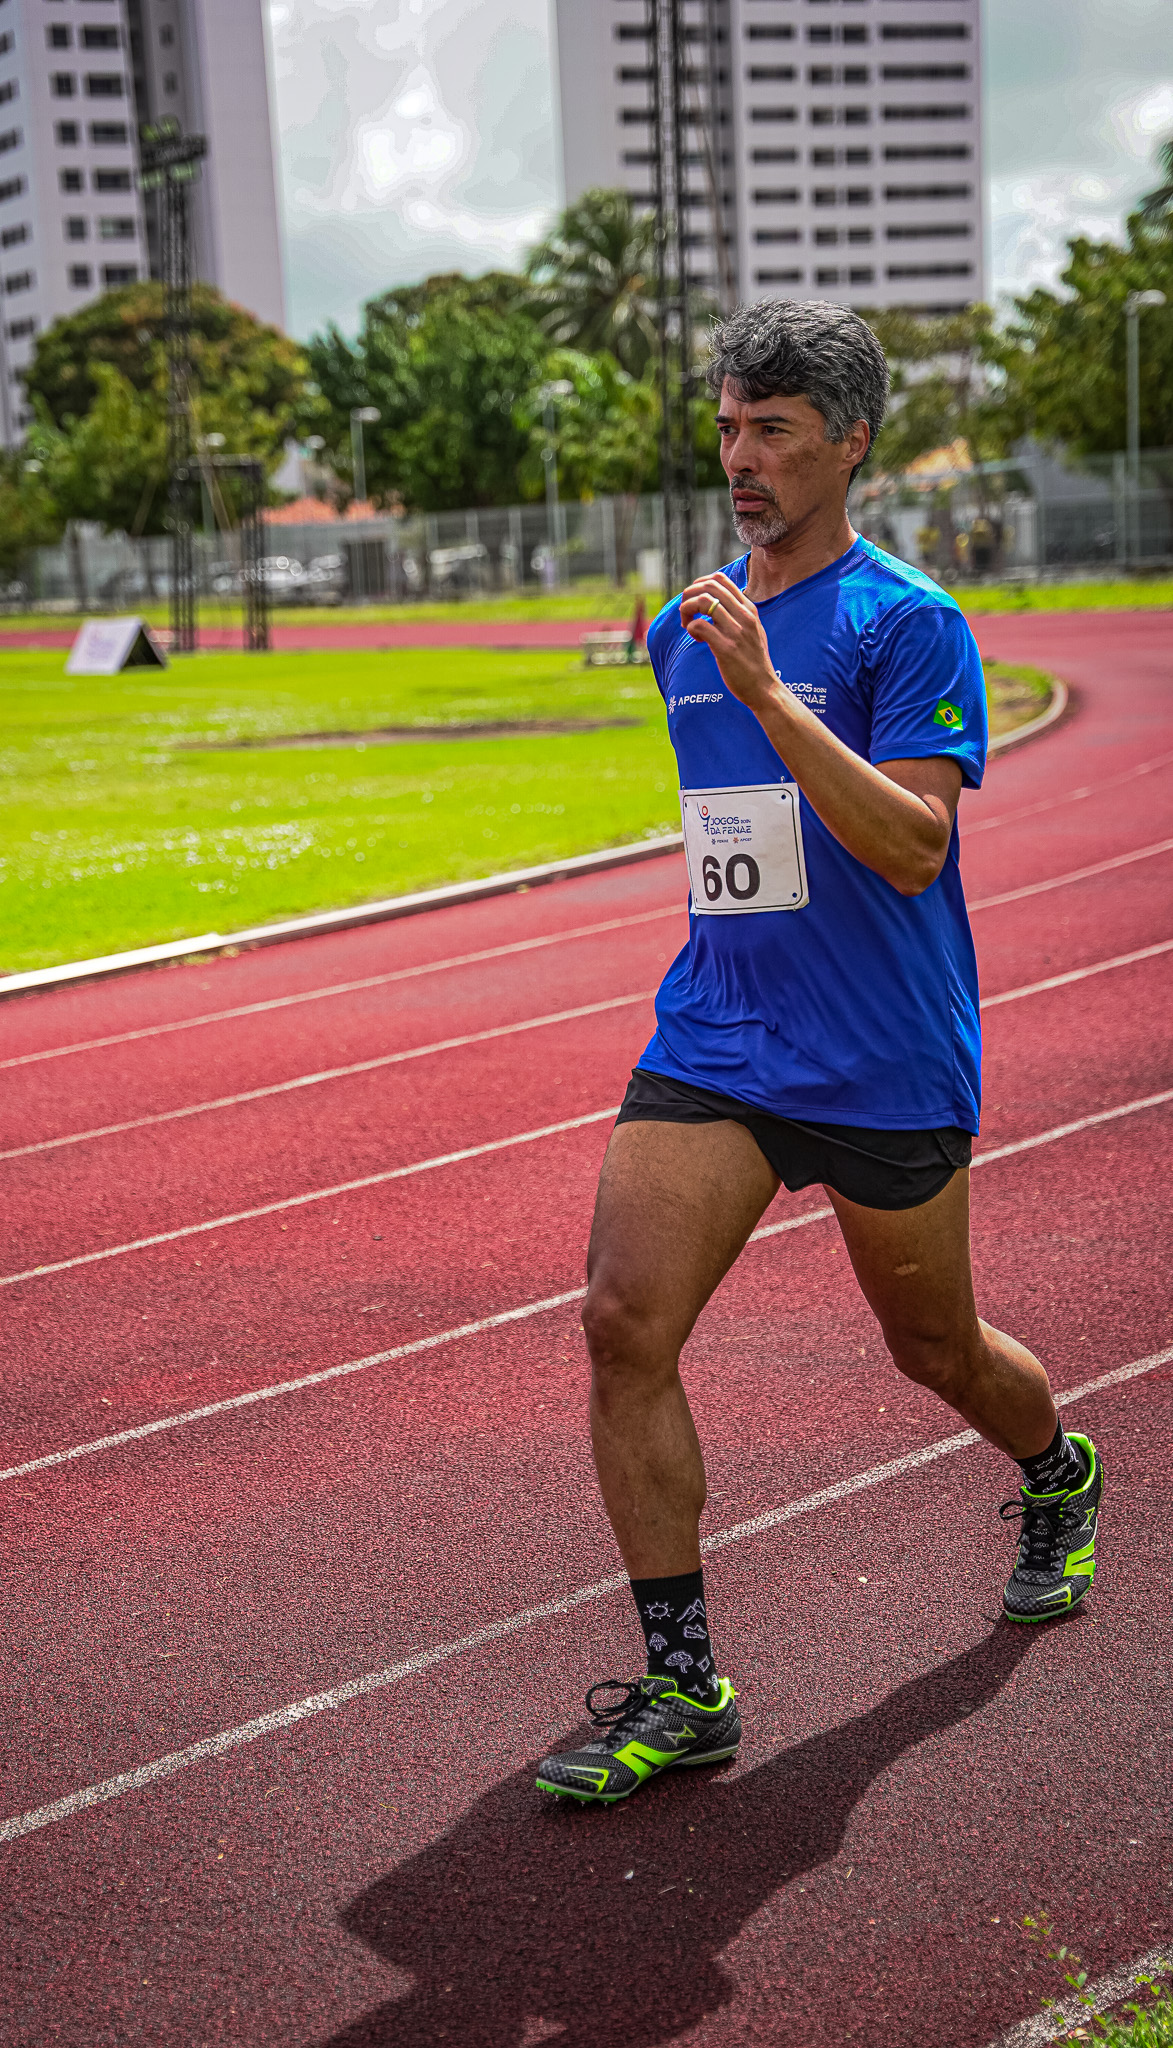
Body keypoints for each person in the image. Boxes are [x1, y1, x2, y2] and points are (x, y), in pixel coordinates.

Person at [536, 301, 1103, 1807]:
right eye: (728, 426)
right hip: (719, 1034)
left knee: (935, 1351)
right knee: (619, 1323)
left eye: (774, 430)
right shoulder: (684, 626)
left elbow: (912, 846)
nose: (741, 457)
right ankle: (684, 1686)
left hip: (880, 1053)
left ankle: (1055, 1471)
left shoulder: (906, 622)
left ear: (850, 444)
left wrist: (772, 697)